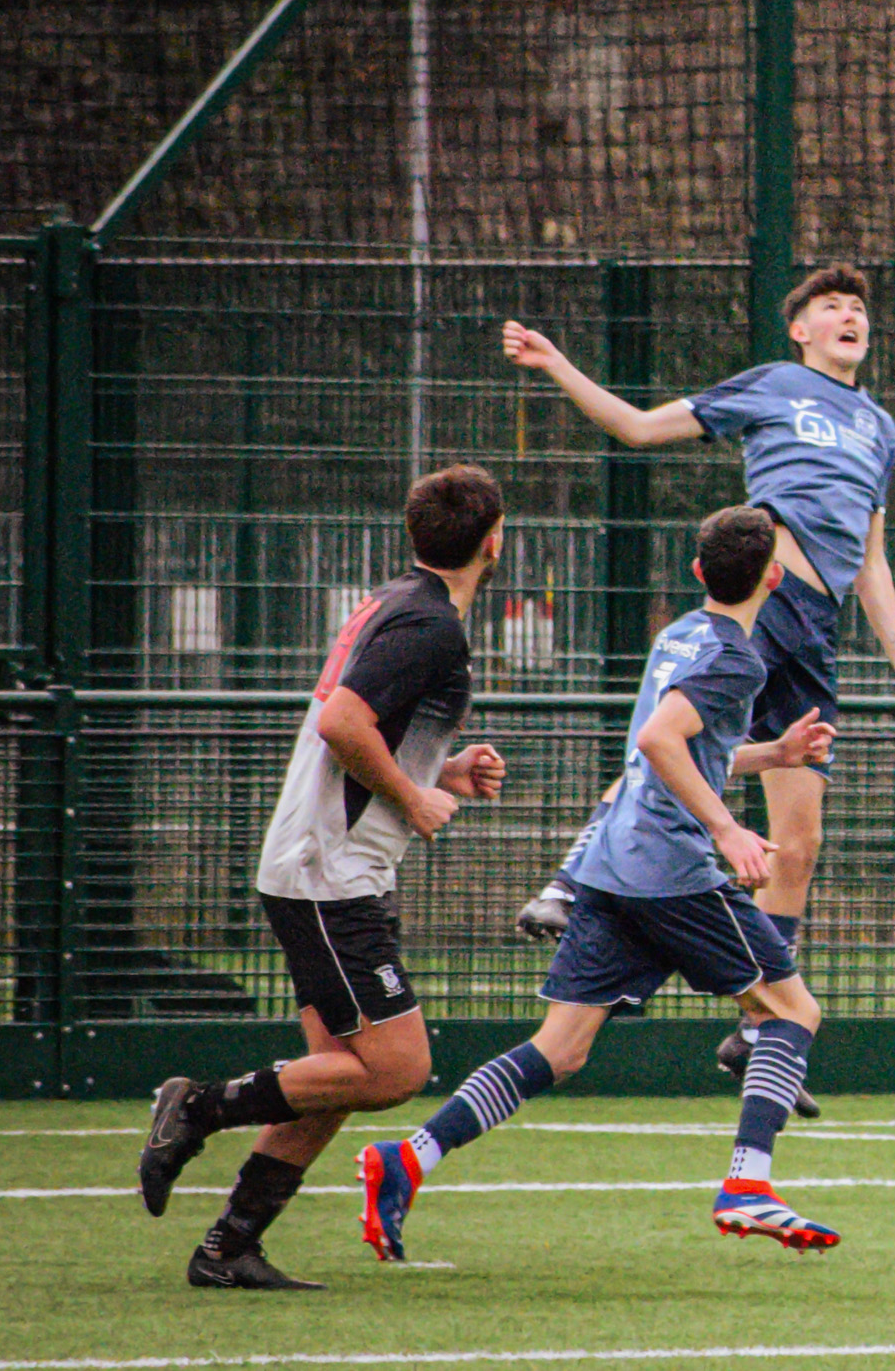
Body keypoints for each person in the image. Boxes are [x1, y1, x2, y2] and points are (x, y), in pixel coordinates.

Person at [500, 263, 895, 1095]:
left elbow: (872, 559)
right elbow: (637, 428)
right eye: (829, 306)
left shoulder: (881, 428)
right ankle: (570, 879)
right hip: (766, 598)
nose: (849, 315)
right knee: (679, 742)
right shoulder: (775, 386)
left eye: (857, 307)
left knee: (801, 840)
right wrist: (558, 365)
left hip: (819, 632)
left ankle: (757, 1027)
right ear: (800, 331)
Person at [357, 506, 842, 1260]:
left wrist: (773, 753)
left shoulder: (679, 635)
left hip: (612, 867)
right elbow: (658, 741)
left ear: (697, 573)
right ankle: (748, 1184)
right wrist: (726, 828)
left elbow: (679, 751)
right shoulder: (740, 658)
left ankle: (409, 1155)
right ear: (774, 578)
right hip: (669, 871)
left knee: (561, 1047)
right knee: (791, 1010)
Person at [137, 465, 509, 1290]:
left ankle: (229, 1247)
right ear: (496, 541)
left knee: (332, 1077)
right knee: (396, 1068)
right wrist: (414, 795)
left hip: (325, 865)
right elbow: (342, 723)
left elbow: (359, 726)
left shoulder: (398, 603)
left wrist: (438, 771)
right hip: (327, 873)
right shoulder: (430, 625)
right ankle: (195, 1108)